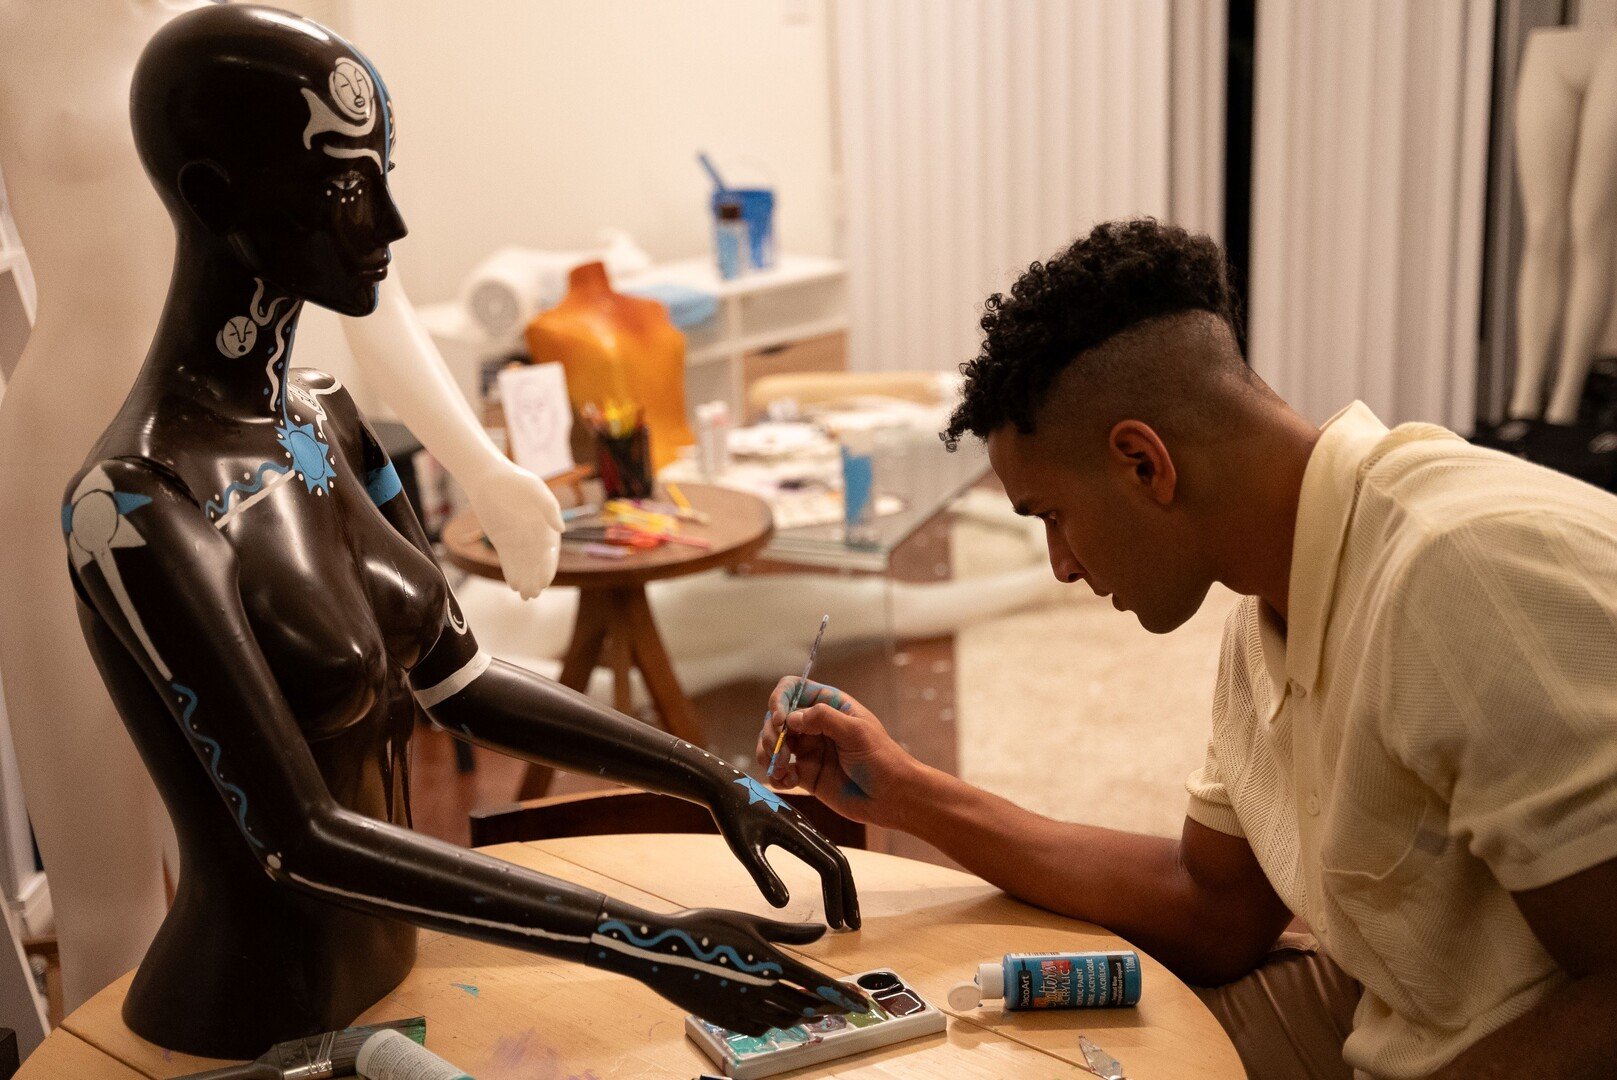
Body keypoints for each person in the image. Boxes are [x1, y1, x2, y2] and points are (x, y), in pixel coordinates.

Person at [67, 5, 859, 1058]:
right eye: (350, 185)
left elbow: (459, 679)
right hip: (248, 1025)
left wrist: (710, 777)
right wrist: (648, 942)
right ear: (218, 197)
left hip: (411, 969)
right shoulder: (128, 505)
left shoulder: (326, 418)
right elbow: (292, 842)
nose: (389, 225)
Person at [758, 219, 1617, 1080]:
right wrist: (905, 790)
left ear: (1143, 463)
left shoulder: (1466, 570)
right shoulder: (1265, 612)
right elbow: (1212, 911)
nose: (1060, 566)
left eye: (1052, 515)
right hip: (1384, 1020)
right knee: (980, 1053)